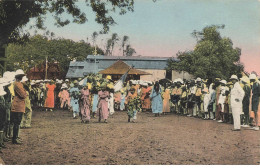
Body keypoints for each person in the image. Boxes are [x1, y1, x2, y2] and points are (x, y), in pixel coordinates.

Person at [10, 69, 27, 144]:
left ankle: (16, 137)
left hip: (18, 104)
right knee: (17, 122)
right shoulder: (18, 84)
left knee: (17, 122)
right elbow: (23, 95)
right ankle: (15, 138)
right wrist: (26, 93)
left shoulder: (17, 84)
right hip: (18, 105)